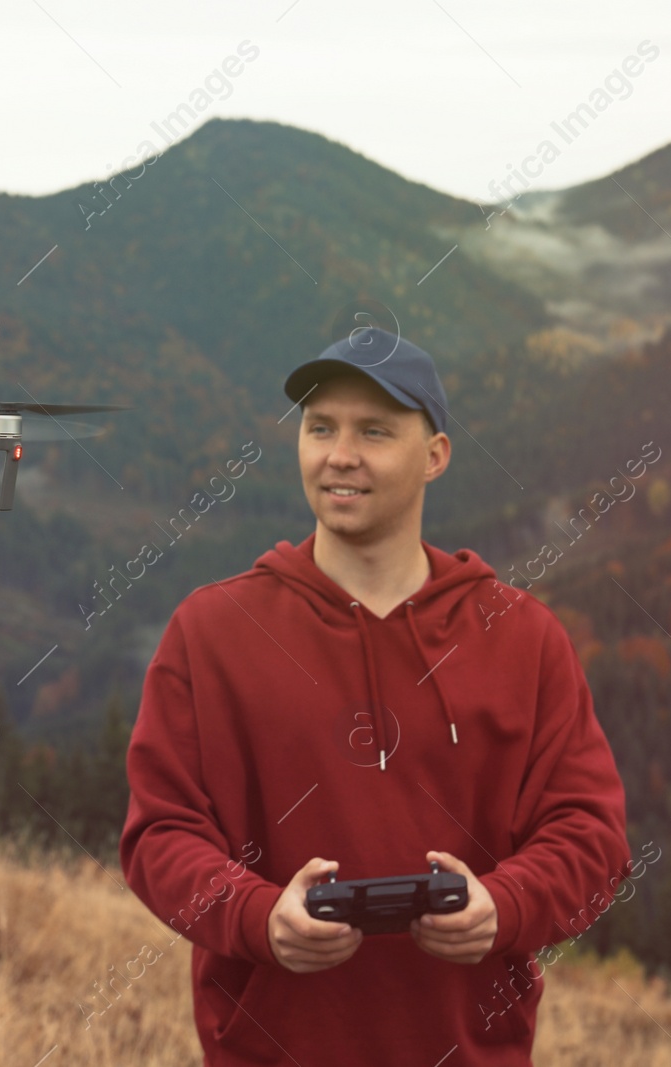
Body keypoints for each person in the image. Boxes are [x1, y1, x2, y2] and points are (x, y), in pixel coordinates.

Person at [118, 327, 632, 1065]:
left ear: (435, 457)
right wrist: (260, 918)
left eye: (375, 431)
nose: (340, 455)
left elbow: (591, 834)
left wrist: (505, 904)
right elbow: (159, 835)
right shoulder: (212, 632)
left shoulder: (523, 638)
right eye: (320, 427)